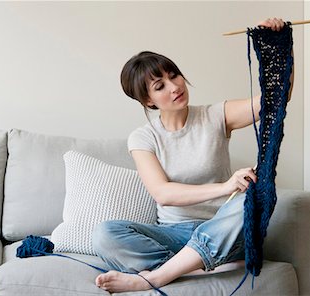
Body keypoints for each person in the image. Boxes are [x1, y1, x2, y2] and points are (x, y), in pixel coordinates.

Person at [91, 17, 294, 293]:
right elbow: (164, 194)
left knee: (252, 199)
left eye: (173, 76)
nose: (174, 87)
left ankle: (156, 276)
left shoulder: (215, 115)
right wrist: (224, 186)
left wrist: (282, 47)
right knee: (105, 234)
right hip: (173, 234)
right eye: (160, 86)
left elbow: (275, 99)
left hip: (222, 227)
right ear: (148, 101)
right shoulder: (143, 137)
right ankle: (196, 262)